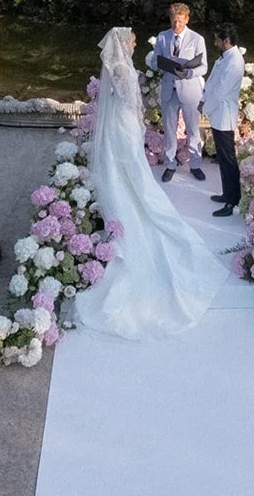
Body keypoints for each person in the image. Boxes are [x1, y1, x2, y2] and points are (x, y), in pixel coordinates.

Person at [74, 27, 228, 339]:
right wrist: (138, 119)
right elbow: (131, 102)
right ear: (123, 43)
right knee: (132, 170)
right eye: (131, 39)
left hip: (121, 124)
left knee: (126, 171)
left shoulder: (115, 67)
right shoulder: (121, 68)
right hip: (125, 125)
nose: (133, 42)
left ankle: (128, 202)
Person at [153, 1, 207, 182]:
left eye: (180, 22)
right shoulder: (162, 37)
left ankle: (196, 165)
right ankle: (170, 164)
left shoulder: (197, 39)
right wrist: (163, 62)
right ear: (170, 19)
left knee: (193, 129)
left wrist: (190, 72)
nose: (176, 25)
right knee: (169, 129)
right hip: (169, 88)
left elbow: (204, 67)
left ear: (187, 20)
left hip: (189, 90)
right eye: (174, 21)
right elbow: (154, 62)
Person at [201, 23, 245, 217]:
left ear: (226, 40)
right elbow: (212, 81)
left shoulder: (235, 61)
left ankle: (232, 200)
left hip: (224, 114)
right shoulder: (226, 57)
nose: (215, 42)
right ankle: (227, 193)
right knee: (223, 157)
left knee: (228, 159)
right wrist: (203, 99)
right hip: (218, 113)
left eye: (217, 39)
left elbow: (221, 91)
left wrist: (205, 107)